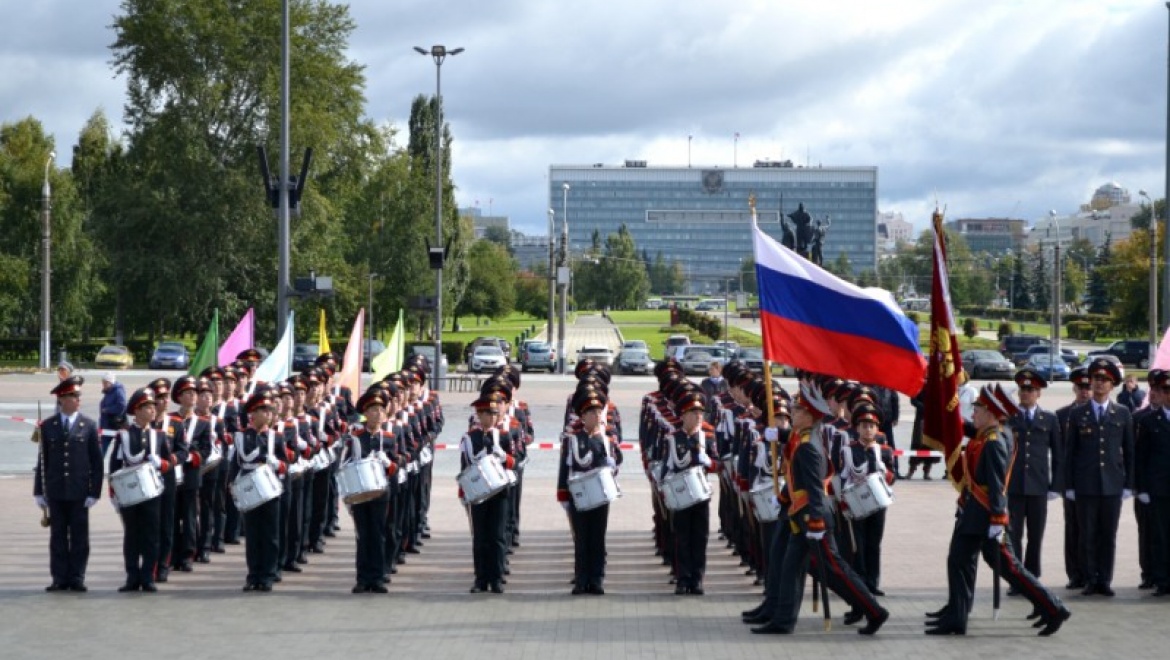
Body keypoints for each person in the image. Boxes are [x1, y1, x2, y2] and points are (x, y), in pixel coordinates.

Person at [925, 384, 1070, 636]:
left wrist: (997, 519)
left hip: (984, 515)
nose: (973, 413)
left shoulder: (993, 442)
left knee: (1009, 567)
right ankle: (956, 616)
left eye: (977, 409)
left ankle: (1053, 607)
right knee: (961, 560)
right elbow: (964, 428)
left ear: (991, 413)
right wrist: (941, 406)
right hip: (976, 514)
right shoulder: (993, 433)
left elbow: (996, 485)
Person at [752, 380, 888, 635]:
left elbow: (815, 488)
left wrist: (816, 522)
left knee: (836, 569)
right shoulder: (804, 436)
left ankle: (874, 611)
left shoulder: (808, 447)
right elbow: (793, 441)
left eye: (797, 410)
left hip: (814, 517)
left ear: (809, 416)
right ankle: (783, 621)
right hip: (802, 515)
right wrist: (779, 435)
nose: (792, 413)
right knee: (791, 568)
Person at [1064, 358, 1134, 597]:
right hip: (1086, 485)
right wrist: (1069, 485)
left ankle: (1104, 579)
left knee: (1108, 535)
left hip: (1112, 484)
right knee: (1087, 535)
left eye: (1105, 380)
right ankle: (1090, 578)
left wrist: (1129, 484)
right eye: (1096, 379)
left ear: (1112, 385)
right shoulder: (1078, 413)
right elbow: (1070, 452)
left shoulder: (1122, 413)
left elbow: (1129, 451)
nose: (1099, 383)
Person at [34, 376, 104, 592]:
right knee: (58, 537)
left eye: (78, 395)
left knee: (80, 537)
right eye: (73, 396)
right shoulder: (48, 426)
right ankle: (59, 578)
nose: (78, 399)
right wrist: (39, 491)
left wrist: (94, 491)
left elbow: (97, 462)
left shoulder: (89, 425)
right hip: (56, 490)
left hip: (79, 492)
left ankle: (77, 577)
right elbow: (43, 460)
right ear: (62, 399)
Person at [108, 389, 172, 592]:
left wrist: (161, 463)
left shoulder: (159, 435)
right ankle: (132, 577)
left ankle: (148, 576)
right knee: (132, 536)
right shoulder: (124, 435)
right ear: (137, 410)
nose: (153, 410)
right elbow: (115, 466)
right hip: (130, 493)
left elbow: (169, 463)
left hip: (152, 494)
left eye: (154, 406)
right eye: (148, 407)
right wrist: (114, 493)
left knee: (151, 535)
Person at [1005, 367, 1063, 582]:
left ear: (1039, 393)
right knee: (1014, 535)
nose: (1026, 394)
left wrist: (1055, 486)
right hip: (1014, 485)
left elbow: (1058, 455)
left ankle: (1033, 576)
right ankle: (1016, 578)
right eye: (1023, 389)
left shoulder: (1049, 419)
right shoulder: (1009, 418)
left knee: (1036, 535)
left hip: (1039, 486)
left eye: (1031, 390)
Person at [658, 390, 717, 595]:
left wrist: (708, 461)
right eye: (694, 413)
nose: (699, 416)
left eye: (701, 413)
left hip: (701, 495)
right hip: (681, 494)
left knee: (700, 538)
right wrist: (664, 489)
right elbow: (666, 466)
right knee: (681, 537)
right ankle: (683, 579)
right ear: (683, 415)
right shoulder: (673, 438)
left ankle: (697, 579)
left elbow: (718, 464)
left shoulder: (707, 436)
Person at [557, 388, 616, 595]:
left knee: (598, 538)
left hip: (600, 494)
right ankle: (581, 579)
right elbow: (565, 468)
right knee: (581, 538)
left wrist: (613, 464)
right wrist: (563, 493)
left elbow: (615, 464)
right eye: (592, 412)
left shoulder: (606, 439)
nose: (597, 416)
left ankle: (597, 579)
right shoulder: (572, 439)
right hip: (579, 494)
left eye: (599, 412)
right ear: (583, 416)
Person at [230, 387, 289, 592]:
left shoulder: (276, 437)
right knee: (253, 535)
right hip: (249, 488)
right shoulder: (241, 437)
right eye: (264, 411)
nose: (268, 414)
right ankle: (253, 575)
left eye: (270, 411)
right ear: (253, 414)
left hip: (270, 489)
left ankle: (268, 575)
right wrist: (232, 486)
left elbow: (285, 465)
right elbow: (238, 462)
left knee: (270, 534)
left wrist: (277, 463)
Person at [342, 387, 396, 594]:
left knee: (378, 534)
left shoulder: (389, 438)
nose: (378, 414)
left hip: (381, 492)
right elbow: (345, 463)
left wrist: (388, 463)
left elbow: (396, 466)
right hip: (360, 493)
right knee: (363, 535)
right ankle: (363, 579)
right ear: (365, 413)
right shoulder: (356, 438)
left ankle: (378, 577)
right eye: (373, 410)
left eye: (381, 410)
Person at [460, 392, 514, 594]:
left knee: (497, 536)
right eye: (487, 414)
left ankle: (496, 578)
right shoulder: (469, 438)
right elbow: (465, 466)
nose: (492, 417)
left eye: (494, 413)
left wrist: (505, 457)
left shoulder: (504, 435)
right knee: (480, 537)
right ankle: (481, 579)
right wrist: (463, 492)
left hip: (499, 492)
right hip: (478, 493)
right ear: (479, 415)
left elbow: (515, 461)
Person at [1056, 366, 1092, 590]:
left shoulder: (1099, 413)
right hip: (1071, 481)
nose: (1085, 391)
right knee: (1073, 529)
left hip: (1092, 481)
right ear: (1074, 388)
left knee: (1092, 529)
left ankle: (1091, 573)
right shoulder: (1062, 415)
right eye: (1081, 387)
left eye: (1088, 387)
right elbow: (1059, 453)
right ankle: (1074, 574)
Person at [1133, 369, 1168, 593]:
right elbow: (1140, 457)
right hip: (1158, 489)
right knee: (1157, 536)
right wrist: (1141, 488)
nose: (1167, 394)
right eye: (1164, 389)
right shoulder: (1146, 420)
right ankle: (1160, 579)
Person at [99, 372, 127, 441]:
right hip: (106, 426)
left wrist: (107, 410)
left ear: (110, 382)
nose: (103, 385)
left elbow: (122, 405)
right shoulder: (109, 392)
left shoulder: (118, 391)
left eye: (105, 383)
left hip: (113, 425)